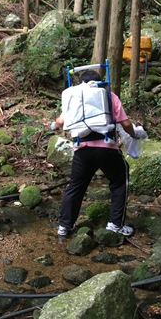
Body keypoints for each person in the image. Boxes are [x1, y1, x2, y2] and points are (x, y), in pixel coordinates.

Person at [50, 70, 147, 237]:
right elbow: (125, 123)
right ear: (99, 82)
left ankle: (64, 226)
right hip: (106, 149)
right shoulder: (108, 96)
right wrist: (134, 134)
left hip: (83, 150)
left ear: (81, 82)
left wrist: (53, 126)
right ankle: (115, 224)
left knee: (75, 186)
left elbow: (61, 121)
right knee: (119, 181)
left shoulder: (75, 97)